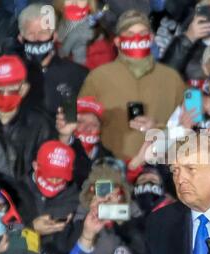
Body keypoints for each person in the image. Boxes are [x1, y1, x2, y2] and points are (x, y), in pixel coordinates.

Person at [79, 10, 185, 159]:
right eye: (129, 33)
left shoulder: (172, 77)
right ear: (117, 41)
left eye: (142, 33)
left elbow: (192, 125)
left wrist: (159, 129)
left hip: (159, 168)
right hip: (112, 167)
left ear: (152, 38)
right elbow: (82, 123)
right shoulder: (98, 77)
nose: (136, 38)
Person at [0, 55, 56, 181]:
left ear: (24, 89)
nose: (5, 94)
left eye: (12, 88)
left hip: (29, 195)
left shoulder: (41, 125)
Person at [17, 3, 89, 117]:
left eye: (43, 33)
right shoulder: (13, 77)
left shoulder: (77, 74)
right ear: (21, 38)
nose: (37, 38)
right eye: (31, 33)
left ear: (54, 36)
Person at [56, 96, 114, 189]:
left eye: (93, 124)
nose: (87, 128)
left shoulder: (109, 158)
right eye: (80, 122)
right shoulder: (58, 149)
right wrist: (64, 137)